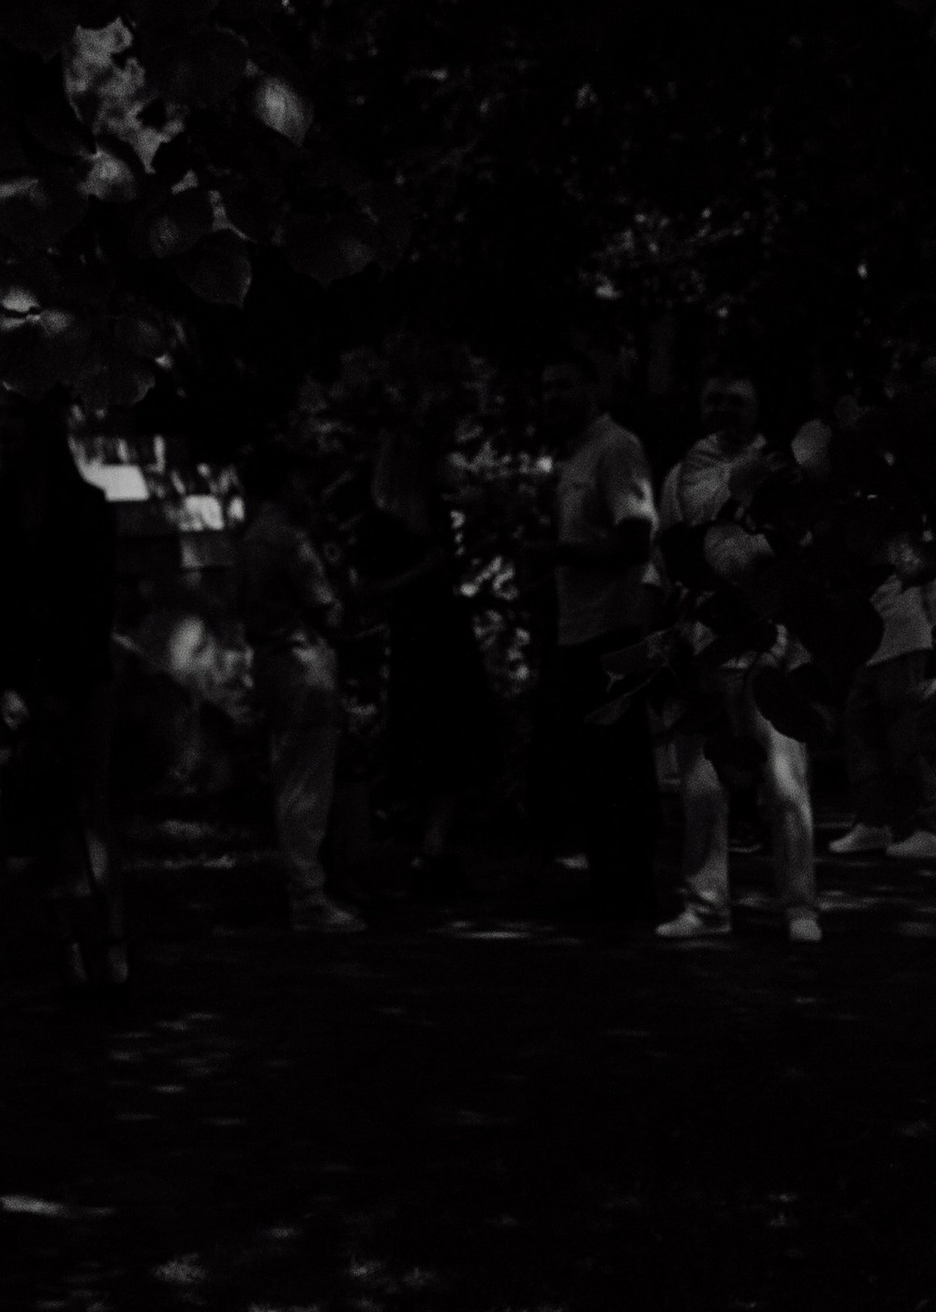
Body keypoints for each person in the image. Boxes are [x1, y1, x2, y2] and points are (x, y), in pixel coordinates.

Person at [653, 372, 821, 951]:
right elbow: (667, 561)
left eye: (737, 401)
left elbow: (797, 557)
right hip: (699, 647)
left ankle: (799, 906)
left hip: (768, 647)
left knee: (784, 785)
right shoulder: (681, 475)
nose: (723, 409)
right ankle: (705, 906)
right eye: (713, 399)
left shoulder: (782, 471)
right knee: (700, 788)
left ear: (758, 410)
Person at [0, 400, 123, 985]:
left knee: (89, 807)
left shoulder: (86, 509)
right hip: (17, 680)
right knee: (42, 813)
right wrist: (6, 683)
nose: (4, 430)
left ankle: (107, 941)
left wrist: (58, 684)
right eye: (0, 419)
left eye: (16, 418)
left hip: (79, 676)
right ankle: (72, 949)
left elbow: (95, 605)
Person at [529, 351, 657, 923]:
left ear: (592, 387)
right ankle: (609, 890)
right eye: (545, 387)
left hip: (614, 631)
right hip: (578, 629)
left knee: (619, 767)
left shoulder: (616, 448)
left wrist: (554, 554)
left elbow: (636, 540)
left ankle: (629, 895)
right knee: (590, 768)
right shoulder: (575, 455)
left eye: (563, 384)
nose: (551, 397)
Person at [355, 425, 497, 881]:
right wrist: (422, 571)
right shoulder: (381, 521)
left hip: (444, 631)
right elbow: (368, 589)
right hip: (416, 636)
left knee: (453, 739)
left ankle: (433, 844)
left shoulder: (434, 512)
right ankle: (417, 840)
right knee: (424, 736)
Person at [236, 450, 362, 935]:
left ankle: (309, 888)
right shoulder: (290, 542)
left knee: (293, 778)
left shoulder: (249, 540)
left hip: (271, 665)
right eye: (301, 482)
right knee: (306, 785)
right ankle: (308, 897)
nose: (307, 493)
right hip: (302, 666)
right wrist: (345, 591)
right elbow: (328, 611)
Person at [831, 530, 936, 860]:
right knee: (862, 729)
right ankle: (876, 820)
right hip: (872, 637)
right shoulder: (864, 513)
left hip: (905, 636)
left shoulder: (906, 517)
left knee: (908, 735)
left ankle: (931, 828)